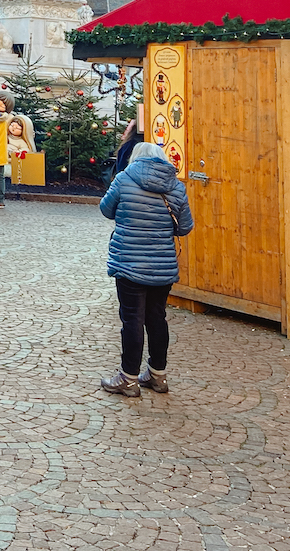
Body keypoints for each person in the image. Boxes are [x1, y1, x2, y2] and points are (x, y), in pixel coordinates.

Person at [99, 141, 194, 396]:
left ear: (136, 158)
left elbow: (106, 210)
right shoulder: (176, 186)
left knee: (132, 320)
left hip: (129, 262)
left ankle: (128, 378)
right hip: (162, 266)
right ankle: (157, 376)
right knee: (156, 319)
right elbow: (184, 227)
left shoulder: (124, 178)